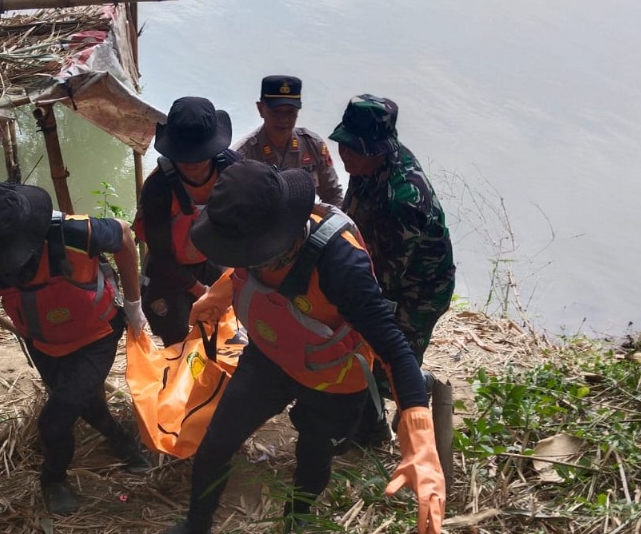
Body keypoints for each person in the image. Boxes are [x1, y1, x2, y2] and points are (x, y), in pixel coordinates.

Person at [138, 161, 446, 534]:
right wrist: (219, 293)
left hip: (332, 377)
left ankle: (298, 519)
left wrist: (420, 438)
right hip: (270, 356)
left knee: (313, 452)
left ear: (282, 237)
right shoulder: (254, 230)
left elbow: (394, 348)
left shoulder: (340, 266)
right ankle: (195, 528)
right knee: (217, 442)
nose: (242, 261)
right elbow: (242, 267)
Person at [0, 182, 153, 515]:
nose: (5, 269)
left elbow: (124, 235)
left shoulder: (76, 232)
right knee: (79, 399)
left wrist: (134, 302)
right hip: (42, 342)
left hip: (98, 334)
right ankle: (119, 438)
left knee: (55, 420)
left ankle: (52, 478)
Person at [330, 95, 457, 476]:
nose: (344, 154)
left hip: (418, 291)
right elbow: (351, 220)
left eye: (354, 147)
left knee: (388, 358)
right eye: (343, 143)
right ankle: (369, 428)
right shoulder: (366, 163)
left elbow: (384, 280)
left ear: (379, 150)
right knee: (361, 353)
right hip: (381, 268)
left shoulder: (404, 198)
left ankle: (416, 400)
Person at [134, 97, 242, 346]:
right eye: (184, 155)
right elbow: (161, 254)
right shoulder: (158, 187)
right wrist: (201, 292)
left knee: (224, 334)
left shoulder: (234, 170)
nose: (192, 162)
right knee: (179, 340)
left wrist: (228, 282)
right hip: (169, 268)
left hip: (214, 260)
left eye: (199, 155)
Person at [234, 75, 344, 207]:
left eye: (290, 112)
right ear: (260, 109)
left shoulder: (313, 146)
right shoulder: (243, 155)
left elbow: (333, 195)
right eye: (276, 112)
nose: (284, 119)